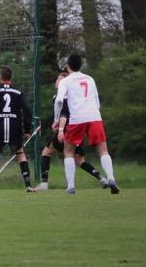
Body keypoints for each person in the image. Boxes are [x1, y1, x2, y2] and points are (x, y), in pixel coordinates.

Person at [54, 53, 120, 195]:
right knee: (103, 149)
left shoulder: (66, 81)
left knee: (68, 151)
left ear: (68, 66)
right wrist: (95, 113)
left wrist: (57, 119)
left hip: (77, 118)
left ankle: (71, 186)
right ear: (81, 66)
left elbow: (59, 101)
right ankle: (111, 178)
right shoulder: (90, 79)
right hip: (94, 116)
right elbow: (97, 101)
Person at [38, 71, 107, 191]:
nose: (57, 81)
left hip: (68, 131)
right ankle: (102, 179)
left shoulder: (60, 97)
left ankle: (44, 183)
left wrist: (60, 128)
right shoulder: (75, 97)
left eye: (59, 80)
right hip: (78, 131)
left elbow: (64, 114)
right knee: (80, 160)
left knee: (46, 152)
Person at [0, 66, 35, 193]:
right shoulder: (19, 92)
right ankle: (28, 185)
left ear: (0, 77)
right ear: (11, 77)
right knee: (20, 154)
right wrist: (27, 129)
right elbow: (27, 110)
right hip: (14, 127)